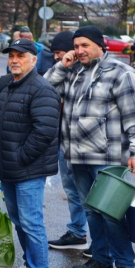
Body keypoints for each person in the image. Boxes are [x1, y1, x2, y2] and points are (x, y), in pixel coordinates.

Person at [45, 25, 135, 268]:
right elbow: (44, 88)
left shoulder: (121, 73)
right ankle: (101, 259)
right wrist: (63, 65)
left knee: (111, 213)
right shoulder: (73, 71)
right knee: (91, 211)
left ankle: (125, 265)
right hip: (77, 157)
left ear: (101, 45)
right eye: (76, 46)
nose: (79, 51)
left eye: (84, 45)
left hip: (108, 157)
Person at [0, 39, 61, 268]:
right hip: (8, 168)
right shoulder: (9, 86)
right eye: (12, 56)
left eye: (21, 56)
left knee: (31, 222)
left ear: (34, 59)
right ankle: (30, 267)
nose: (14, 60)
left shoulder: (42, 89)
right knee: (19, 220)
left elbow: (45, 132)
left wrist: (19, 158)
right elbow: (0, 130)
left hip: (28, 169)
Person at [43, 31, 90, 252]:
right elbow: (44, 86)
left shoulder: (92, 72)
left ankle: (102, 244)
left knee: (93, 196)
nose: (55, 57)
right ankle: (78, 233)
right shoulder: (66, 71)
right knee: (73, 191)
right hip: (65, 142)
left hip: (91, 148)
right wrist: (62, 64)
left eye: (59, 53)